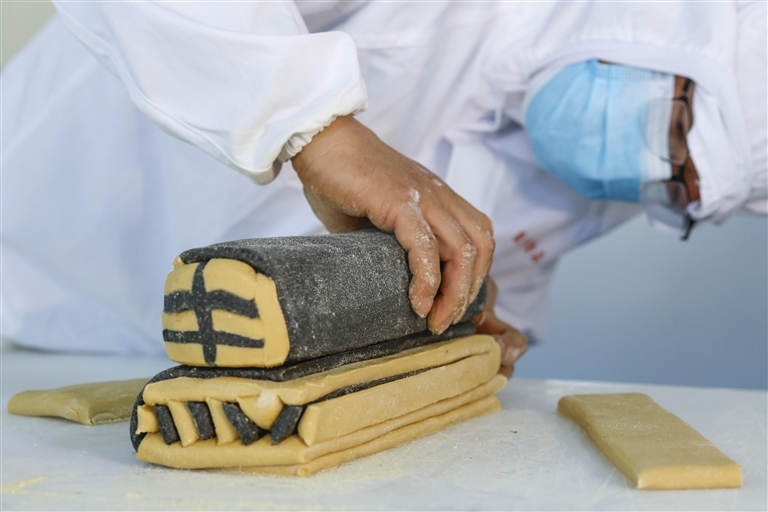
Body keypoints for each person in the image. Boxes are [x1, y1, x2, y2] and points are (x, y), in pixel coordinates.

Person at [2, 2, 765, 379]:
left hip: (150, 363)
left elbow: (510, 264)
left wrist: (465, 320)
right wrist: (318, 128)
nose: (649, 171)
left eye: (678, 194)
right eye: (674, 129)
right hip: (30, 244)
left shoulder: (599, 186)